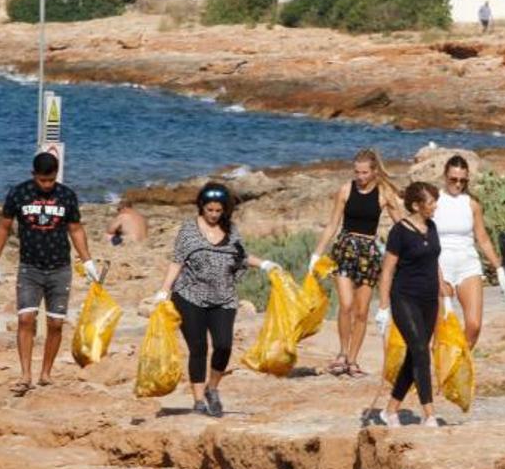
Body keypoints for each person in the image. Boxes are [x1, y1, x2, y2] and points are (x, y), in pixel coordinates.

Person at [154, 182, 281, 417]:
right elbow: (177, 260)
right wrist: (164, 289)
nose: (213, 215)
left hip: (224, 297)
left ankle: (213, 388)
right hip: (190, 295)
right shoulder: (189, 230)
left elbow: (241, 256)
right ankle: (199, 400)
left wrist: (265, 264)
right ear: (201, 207)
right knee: (198, 347)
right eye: (209, 210)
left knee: (223, 345)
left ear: (225, 210)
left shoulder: (231, 231)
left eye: (218, 211)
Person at [0, 152, 99, 396]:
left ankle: (46, 373)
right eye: (42, 181)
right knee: (26, 319)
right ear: (33, 175)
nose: (46, 185)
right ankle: (25, 374)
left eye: (50, 181)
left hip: (60, 267)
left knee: (56, 323)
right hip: (29, 267)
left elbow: (75, 229)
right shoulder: (19, 193)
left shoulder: (66, 196)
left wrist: (87, 260)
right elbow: (4, 225)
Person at [310, 149, 403, 378]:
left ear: (373, 171)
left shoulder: (383, 193)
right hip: (345, 250)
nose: (360, 177)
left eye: (364, 173)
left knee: (362, 311)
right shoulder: (345, 190)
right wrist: (317, 254)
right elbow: (332, 224)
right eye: (357, 172)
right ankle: (342, 353)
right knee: (346, 304)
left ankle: (352, 360)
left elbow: (400, 223)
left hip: (368, 254)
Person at [375, 181, 445, 428]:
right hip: (404, 297)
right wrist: (383, 307)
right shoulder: (400, 232)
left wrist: (443, 291)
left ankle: (390, 410)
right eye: (431, 202)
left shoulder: (432, 226)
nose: (435, 206)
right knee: (421, 351)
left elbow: (434, 261)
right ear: (416, 205)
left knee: (415, 354)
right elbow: (387, 271)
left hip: (429, 299)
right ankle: (430, 414)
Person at [434, 155, 505, 349]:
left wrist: (499, 268)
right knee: (443, 327)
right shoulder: (435, 201)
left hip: (468, 263)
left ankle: (458, 365)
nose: (458, 184)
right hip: (441, 264)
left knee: (474, 325)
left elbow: (482, 238)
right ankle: (440, 371)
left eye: (463, 180)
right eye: (453, 179)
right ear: (445, 176)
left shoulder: (471, 204)